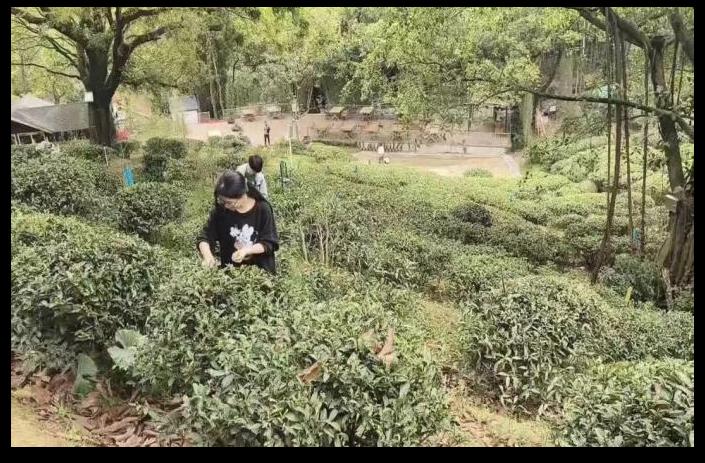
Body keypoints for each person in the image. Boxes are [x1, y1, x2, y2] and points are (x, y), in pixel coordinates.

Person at [197, 170, 279, 274]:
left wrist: (246, 250)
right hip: (230, 276)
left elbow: (269, 243)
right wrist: (208, 257)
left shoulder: (262, 209)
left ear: (242, 195)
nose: (226, 206)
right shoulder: (221, 211)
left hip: (261, 275)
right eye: (222, 201)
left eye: (229, 202)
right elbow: (205, 237)